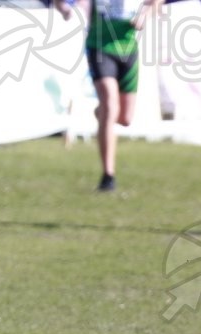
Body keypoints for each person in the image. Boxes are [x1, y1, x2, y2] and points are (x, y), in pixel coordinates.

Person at [56, 0, 164, 192]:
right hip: (100, 47)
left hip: (128, 50)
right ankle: (108, 176)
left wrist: (146, 13)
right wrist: (64, 8)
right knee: (111, 106)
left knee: (125, 118)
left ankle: (102, 112)